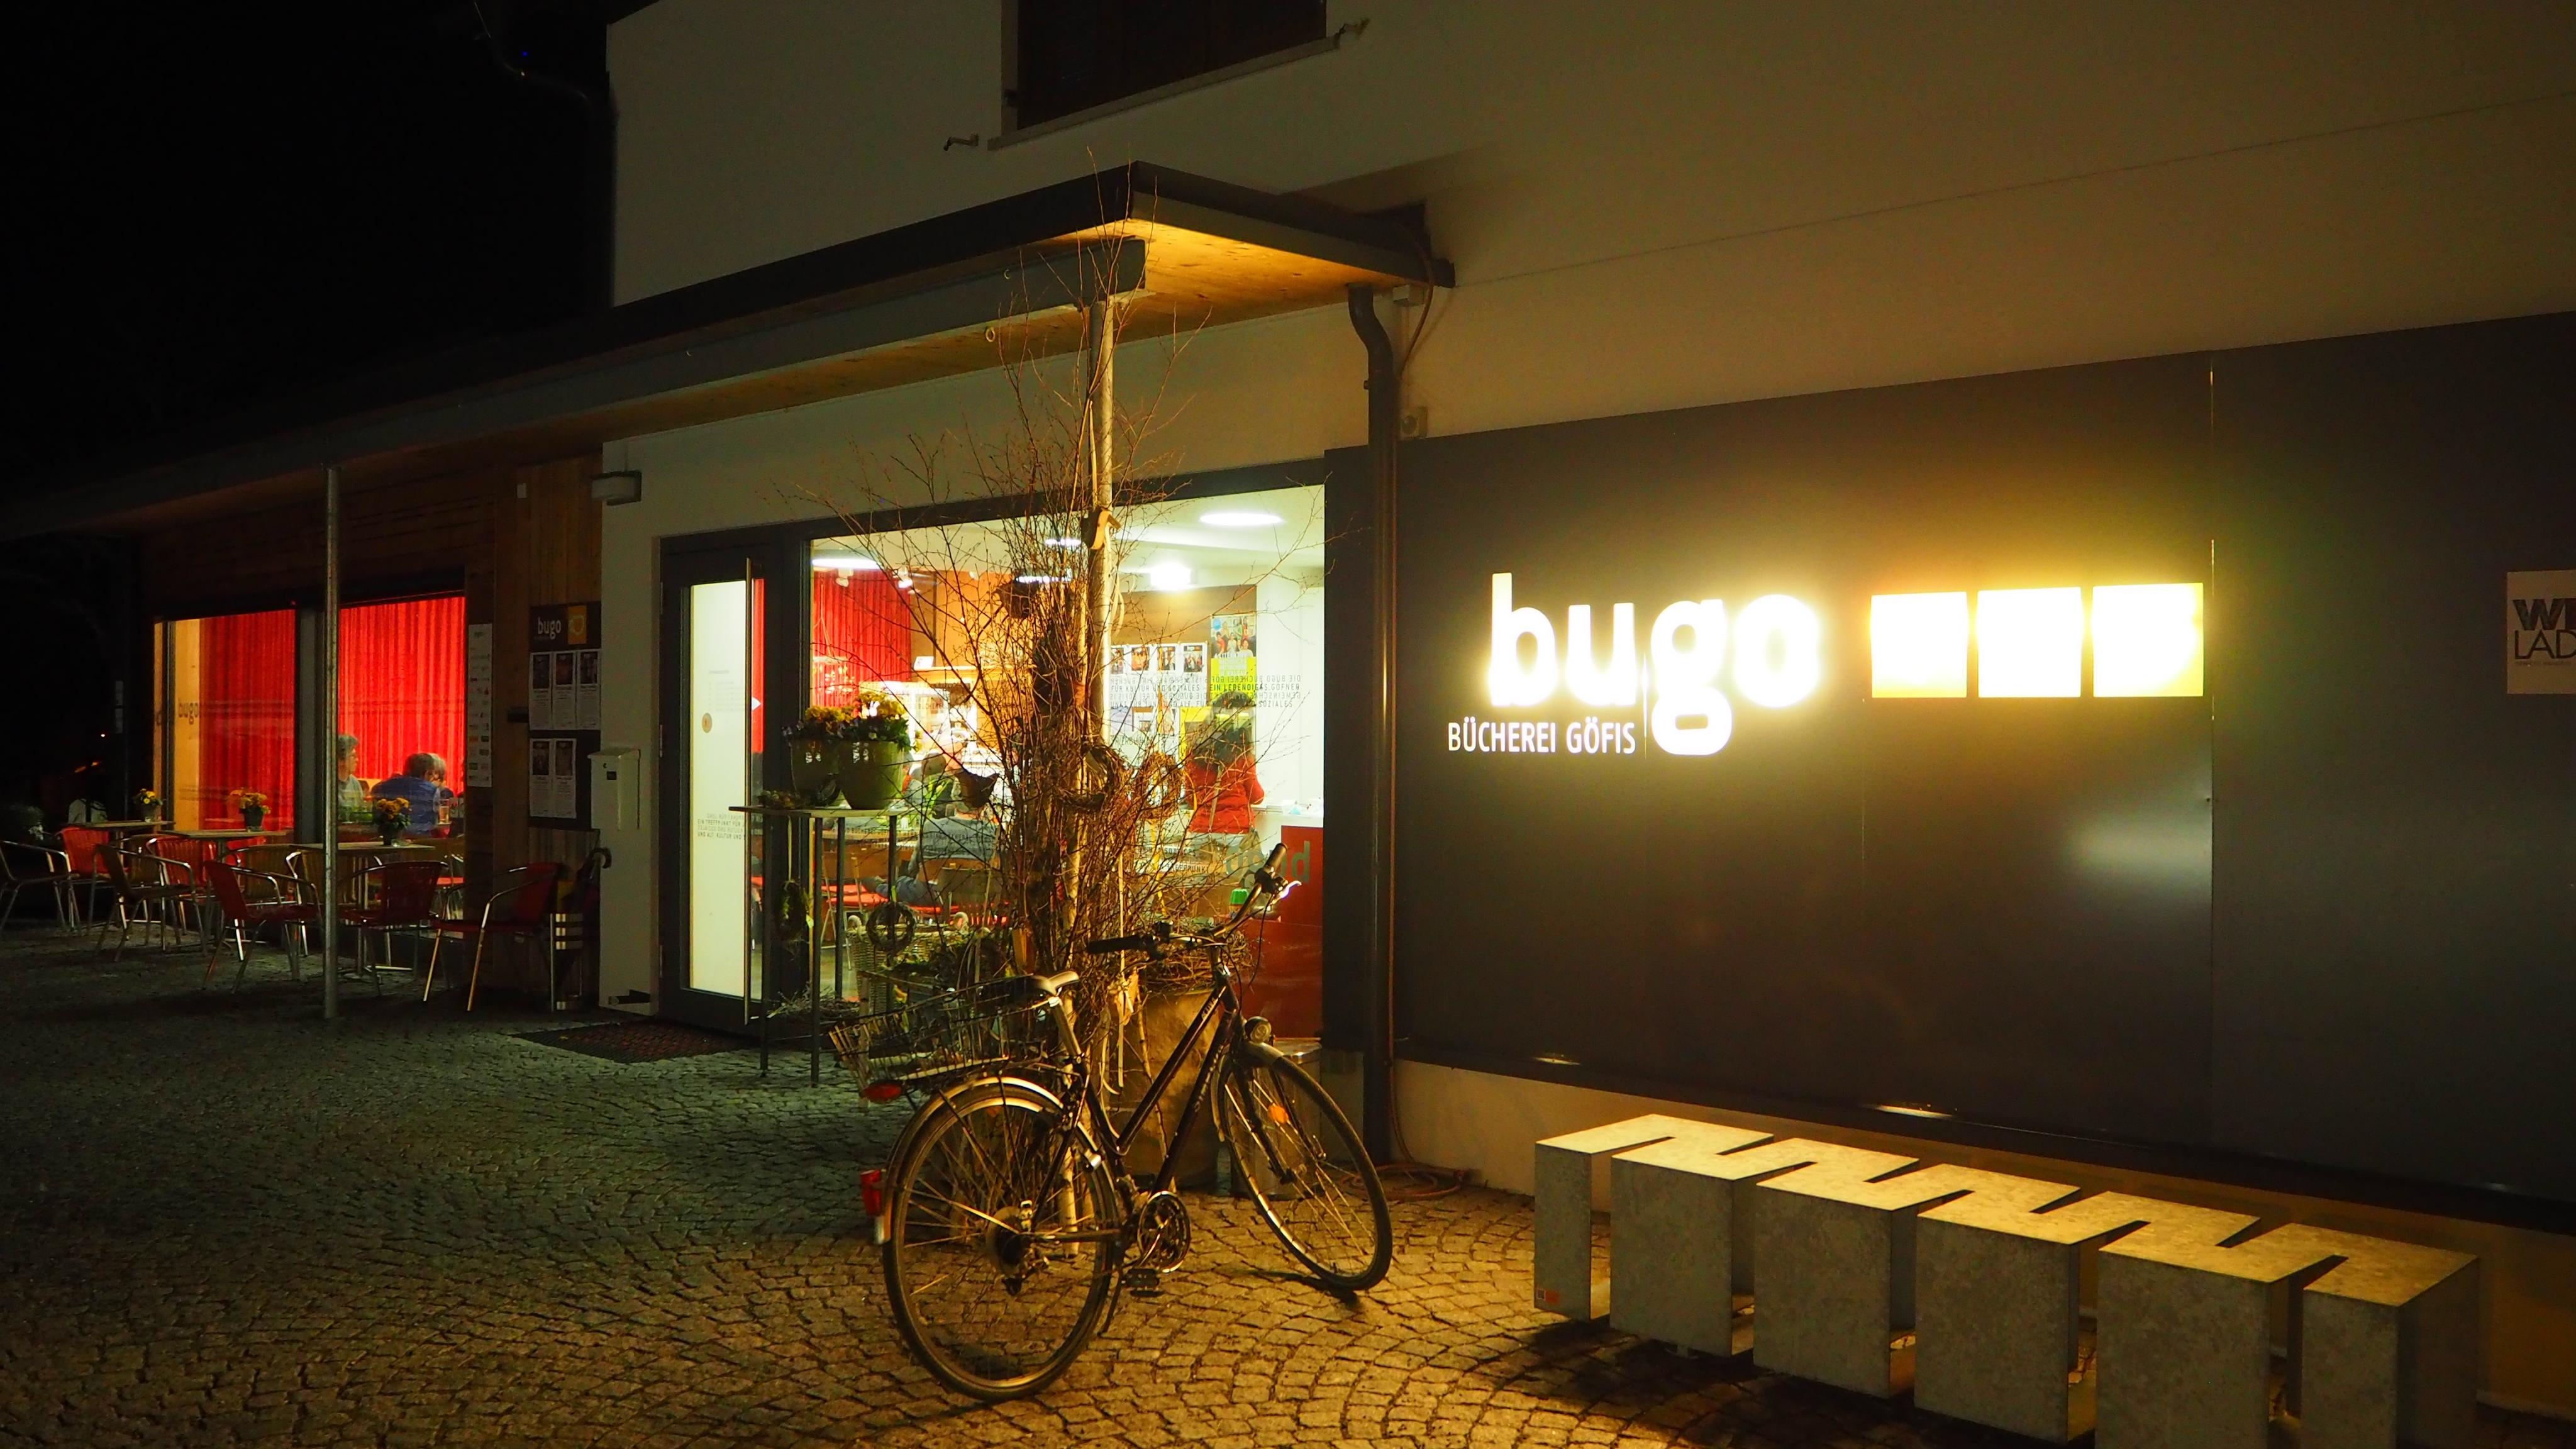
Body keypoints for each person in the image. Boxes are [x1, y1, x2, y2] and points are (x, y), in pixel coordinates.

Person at [370, 753, 454, 836]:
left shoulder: (379, 787)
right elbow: (434, 822)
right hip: (421, 838)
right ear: (427, 773)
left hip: (385, 837)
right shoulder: (432, 791)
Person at [334, 735, 372, 823]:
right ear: (340, 761)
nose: (357, 760)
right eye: (353, 756)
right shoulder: (329, 782)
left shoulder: (355, 782)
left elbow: (361, 812)